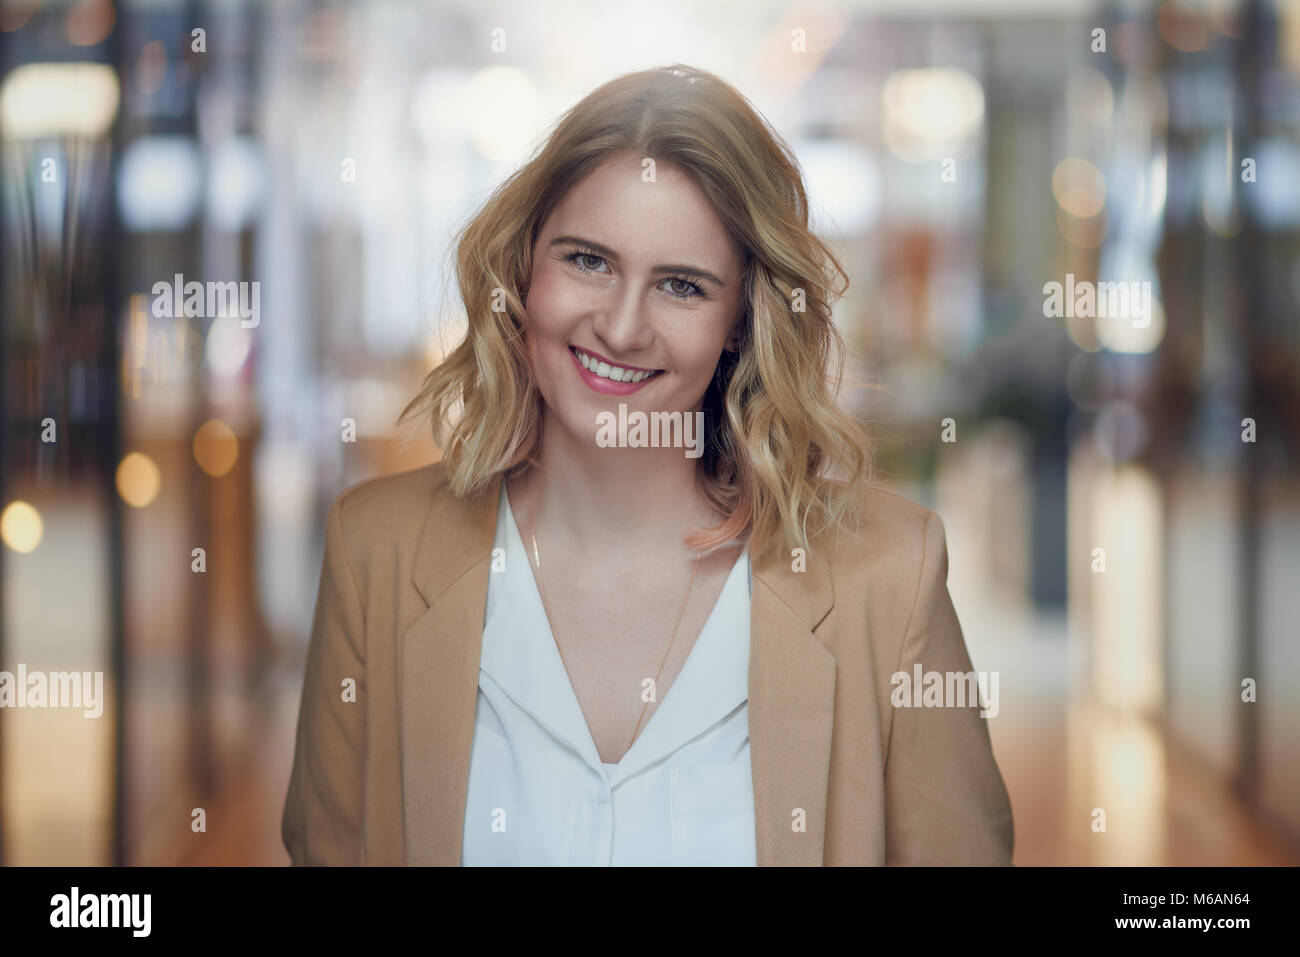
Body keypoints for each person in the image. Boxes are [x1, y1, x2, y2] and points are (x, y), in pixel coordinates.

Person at [281, 63, 1014, 866]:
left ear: (743, 319)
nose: (622, 327)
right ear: (524, 264)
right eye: (588, 260)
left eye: (681, 285)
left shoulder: (890, 577)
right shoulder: (374, 549)